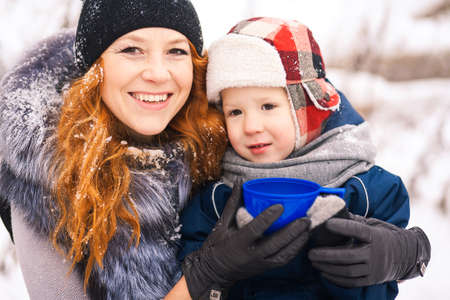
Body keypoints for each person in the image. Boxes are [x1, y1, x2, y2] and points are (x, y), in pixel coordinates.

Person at [0, 3, 312, 300]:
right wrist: (205, 275)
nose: (158, 73)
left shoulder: (218, 133)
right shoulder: (48, 173)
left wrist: (356, 248)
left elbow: (321, 117)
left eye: (176, 51)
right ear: (96, 66)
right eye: (132, 50)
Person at [178, 17, 431, 299]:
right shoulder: (217, 197)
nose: (251, 126)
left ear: (307, 109)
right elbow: (190, 283)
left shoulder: (366, 189)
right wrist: (215, 271)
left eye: (268, 105)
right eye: (235, 112)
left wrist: (396, 256)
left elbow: (380, 290)